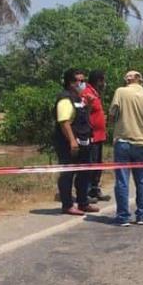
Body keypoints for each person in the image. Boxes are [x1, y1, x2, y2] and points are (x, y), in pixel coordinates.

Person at [110, 70, 143, 227]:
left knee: (122, 181)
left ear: (127, 80)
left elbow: (112, 114)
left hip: (123, 141)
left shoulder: (121, 92)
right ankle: (142, 215)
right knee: (141, 180)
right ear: (141, 81)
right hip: (142, 142)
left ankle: (123, 216)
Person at [54, 68, 97, 216]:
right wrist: (72, 141)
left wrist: (89, 104)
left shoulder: (79, 98)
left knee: (84, 173)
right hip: (68, 144)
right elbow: (64, 122)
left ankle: (83, 203)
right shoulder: (65, 99)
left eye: (84, 80)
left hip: (83, 142)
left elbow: (83, 118)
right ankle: (67, 205)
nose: (83, 83)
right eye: (80, 80)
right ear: (71, 83)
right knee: (68, 174)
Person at [83, 69, 109, 202]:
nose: (104, 83)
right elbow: (84, 114)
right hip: (91, 136)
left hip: (99, 136)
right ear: (98, 81)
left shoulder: (95, 93)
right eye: (103, 80)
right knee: (90, 164)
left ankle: (95, 189)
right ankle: (86, 192)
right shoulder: (87, 93)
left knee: (98, 164)